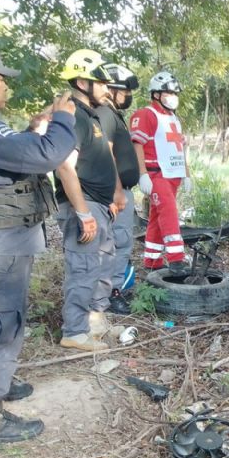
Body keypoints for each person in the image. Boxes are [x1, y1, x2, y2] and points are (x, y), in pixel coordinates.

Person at [0, 44, 77, 445]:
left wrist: (33, 130)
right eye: (0, 78)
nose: (6, 87)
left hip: (3, 243)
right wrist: (61, 119)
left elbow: (14, 156)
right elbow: (46, 155)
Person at [54, 49, 125, 351]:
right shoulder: (73, 116)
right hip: (83, 206)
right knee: (83, 268)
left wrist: (110, 196)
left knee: (101, 266)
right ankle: (74, 331)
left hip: (100, 204)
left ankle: (92, 321)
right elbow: (64, 166)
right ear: (83, 82)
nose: (107, 89)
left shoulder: (90, 116)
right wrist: (83, 213)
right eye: (101, 82)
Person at [130, 71, 192, 275]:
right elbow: (137, 144)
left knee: (157, 218)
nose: (173, 96)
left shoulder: (173, 118)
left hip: (173, 174)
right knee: (169, 213)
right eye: (168, 92)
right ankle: (176, 260)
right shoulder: (146, 114)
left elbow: (179, 147)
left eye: (175, 93)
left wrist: (187, 173)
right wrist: (143, 174)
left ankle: (152, 260)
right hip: (156, 174)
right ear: (156, 94)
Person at [97, 63, 140, 315]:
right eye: (125, 91)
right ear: (111, 90)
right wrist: (117, 192)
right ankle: (111, 294)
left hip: (120, 191)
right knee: (116, 243)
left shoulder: (113, 115)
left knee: (119, 242)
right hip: (115, 193)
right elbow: (108, 154)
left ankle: (112, 289)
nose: (128, 96)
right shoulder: (104, 115)